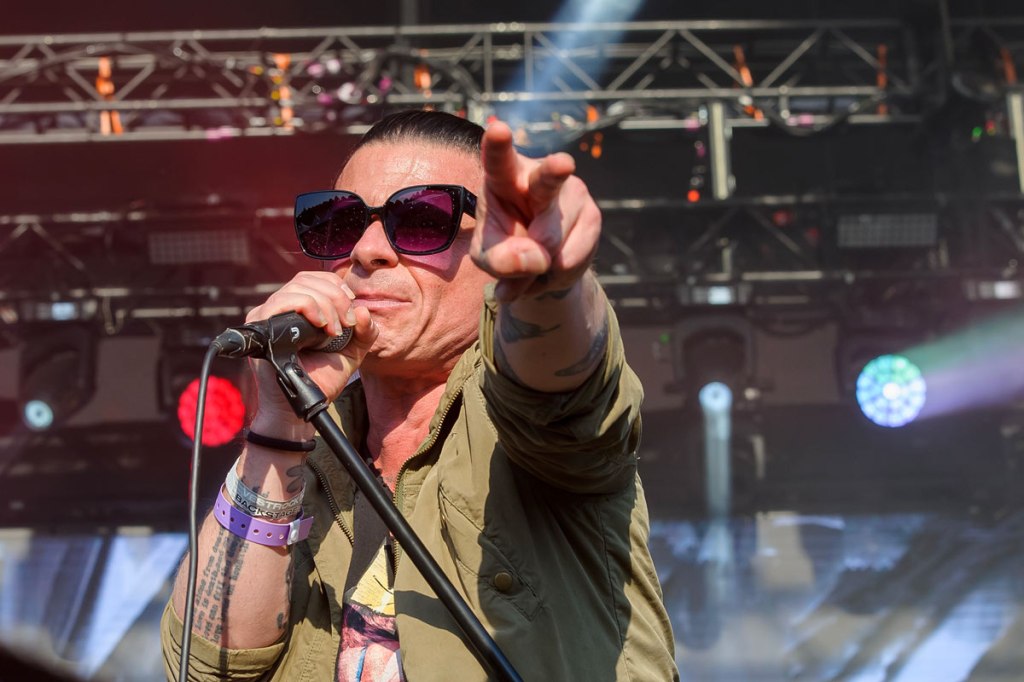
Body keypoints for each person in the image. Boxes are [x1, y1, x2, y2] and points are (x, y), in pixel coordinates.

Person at [161, 109, 678, 681]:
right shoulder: (307, 456)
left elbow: (563, 386)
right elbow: (207, 669)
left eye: (424, 219)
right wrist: (277, 430)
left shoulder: (521, 421)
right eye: (339, 221)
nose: (367, 249)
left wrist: (549, 285)